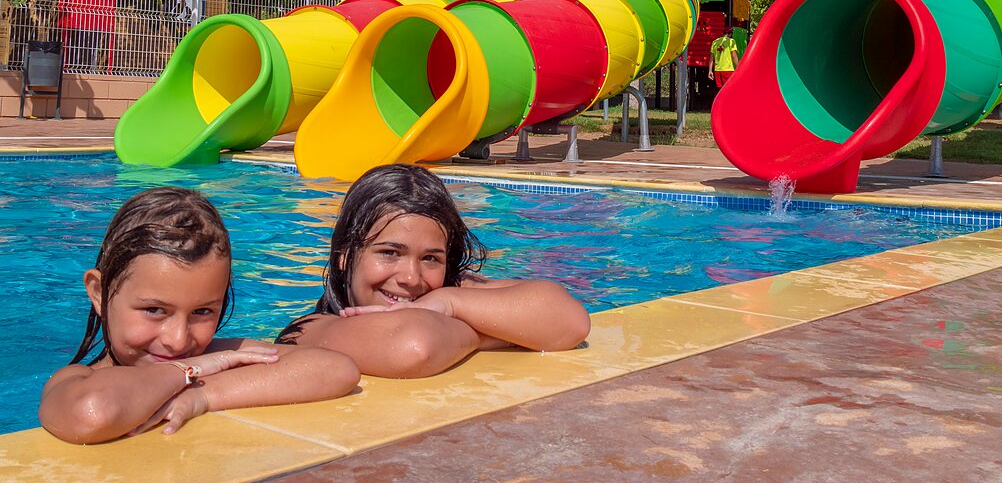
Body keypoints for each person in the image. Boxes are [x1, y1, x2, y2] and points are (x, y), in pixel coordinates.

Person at [39, 187, 360, 444]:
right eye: (154, 310)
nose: (178, 338)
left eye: (203, 311)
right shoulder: (76, 379)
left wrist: (203, 394)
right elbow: (92, 415)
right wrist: (184, 370)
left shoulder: (213, 361)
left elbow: (337, 369)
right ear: (98, 292)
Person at [277, 164, 590, 377]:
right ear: (345, 256)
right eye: (389, 253)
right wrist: (497, 330)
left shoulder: (446, 294)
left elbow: (570, 321)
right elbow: (414, 347)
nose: (411, 278)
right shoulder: (310, 329)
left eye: (430, 259)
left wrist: (449, 303)